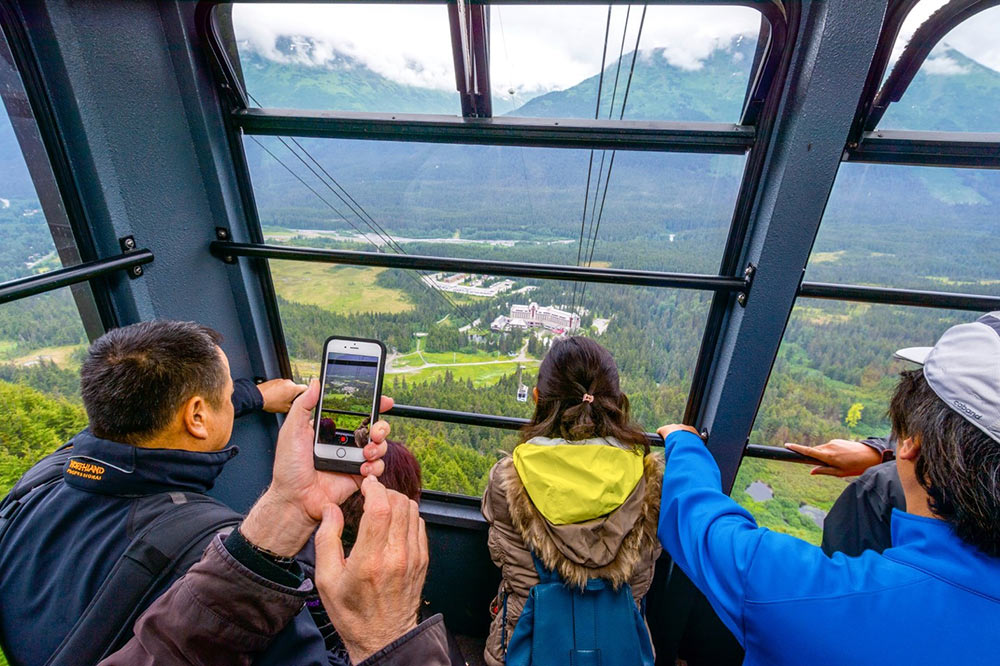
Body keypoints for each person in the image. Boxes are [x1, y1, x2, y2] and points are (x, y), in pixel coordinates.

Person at [0, 320, 382, 665]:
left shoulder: (37, 484)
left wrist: (257, 396)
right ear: (197, 417)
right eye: (229, 394)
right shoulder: (219, 562)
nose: (234, 401)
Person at [657, 312, 1000, 665]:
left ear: (911, 444)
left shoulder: (809, 597)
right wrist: (879, 453)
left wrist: (684, 443)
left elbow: (699, 523)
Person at [99, 380, 450, 666]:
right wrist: (388, 639)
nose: (233, 397)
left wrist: (288, 506)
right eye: (229, 394)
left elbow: (175, 652)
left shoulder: (50, 480)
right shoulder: (196, 529)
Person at [481, 336, 663, 666]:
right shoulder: (651, 480)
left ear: (538, 399)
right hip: (620, 643)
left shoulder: (509, 478)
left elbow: (500, 554)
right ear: (618, 402)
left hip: (527, 640)